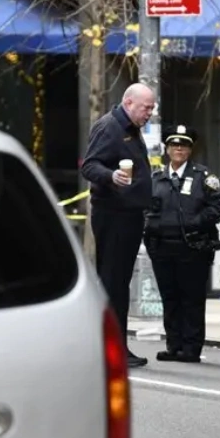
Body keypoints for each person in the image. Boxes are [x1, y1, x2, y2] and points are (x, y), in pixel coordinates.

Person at [80, 83, 156, 368]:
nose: (150, 113)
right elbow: (89, 166)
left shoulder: (130, 128)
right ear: (128, 102)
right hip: (113, 215)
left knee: (119, 283)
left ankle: (115, 344)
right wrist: (112, 176)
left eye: (152, 108)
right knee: (113, 282)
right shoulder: (110, 127)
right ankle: (111, 348)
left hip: (128, 214)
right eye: (146, 107)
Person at [142, 125, 220, 363]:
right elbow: (145, 207)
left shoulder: (204, 177)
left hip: (193, 247)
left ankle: (191, 347)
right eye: (174, 145)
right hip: (162, 247)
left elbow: (218, 206)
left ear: (190, 149)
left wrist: (195, 222)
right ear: (167, 149)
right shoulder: (157, 178)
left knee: (192, 298)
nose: (179, 149)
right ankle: (173, 345)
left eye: (184, 145)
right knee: (170, 297)